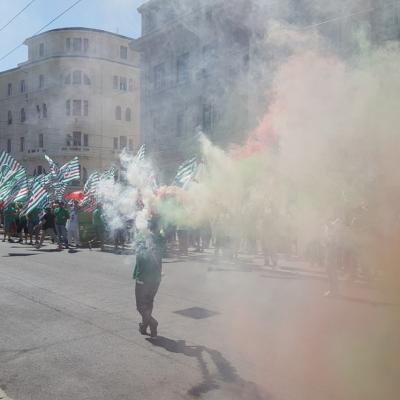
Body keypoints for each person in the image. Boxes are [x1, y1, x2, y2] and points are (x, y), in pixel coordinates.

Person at [133, 216, 165, 338]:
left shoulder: (142, 238)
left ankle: (152, 323)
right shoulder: (161, 238)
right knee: (149, 303)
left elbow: (137, 249)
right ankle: (145, 326)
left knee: (140, 306)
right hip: (156, 277)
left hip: (143, 276)